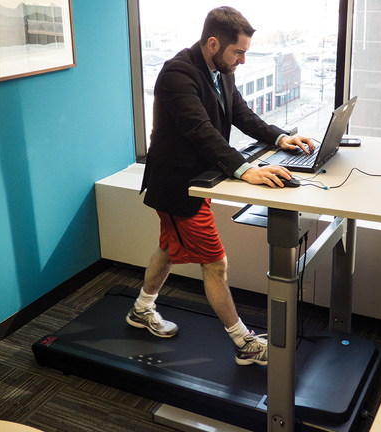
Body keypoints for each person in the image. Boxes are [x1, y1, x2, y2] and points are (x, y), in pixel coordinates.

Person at [130, 6, 315, 366]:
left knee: (169, 247)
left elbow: (241, 113)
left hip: (200, 181)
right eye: (238, 52)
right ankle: (243, 343)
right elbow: (200, 130)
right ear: (213, 43)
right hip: (178, 187)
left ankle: (141, 309)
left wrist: (280, 138)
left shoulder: (221, 71)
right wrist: (244, 170)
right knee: (216, 264)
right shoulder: (177, 73)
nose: (242, 60)